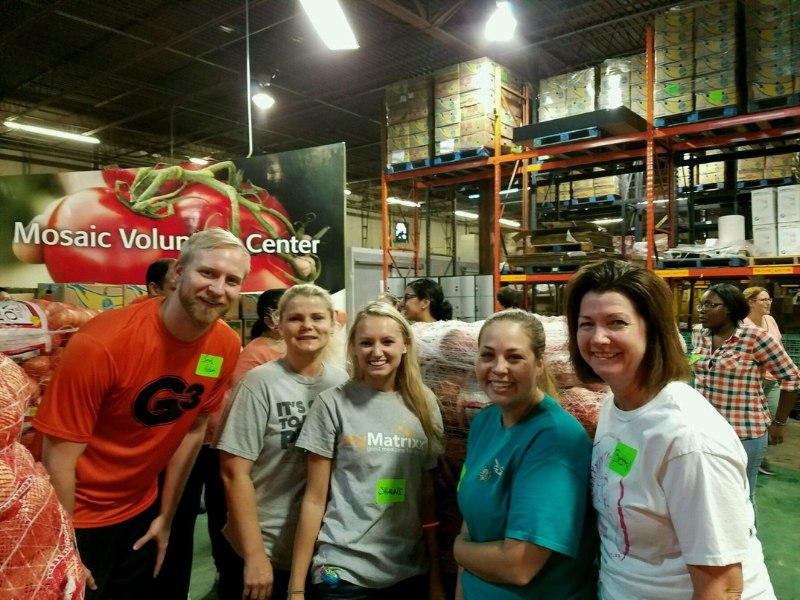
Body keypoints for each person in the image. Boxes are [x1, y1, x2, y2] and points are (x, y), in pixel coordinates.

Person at [34, 228, 249, 599]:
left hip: (141, 511)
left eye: (232, 280)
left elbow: (193, 428)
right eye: (208, 273)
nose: (218, 289)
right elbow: (58, 459)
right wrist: (64, 543)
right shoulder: (102, 343)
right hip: (77, 516)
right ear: (178, 272)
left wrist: (167, 516)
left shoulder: (224, 344)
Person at [565, 260, 775, 600]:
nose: (599, 338)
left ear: (652, 330)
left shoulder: (688, 440)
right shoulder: (615, 407)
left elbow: (723, 587)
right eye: (586, 324)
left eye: (617, 322)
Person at [289, 301, 445, 600]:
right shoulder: (332, 404)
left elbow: (426, 498)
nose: (376, 352)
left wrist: (435, 576)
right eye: (366, 343)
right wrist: (296, 588)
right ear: (353, 348)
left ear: (404, 345)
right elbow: (314, 499)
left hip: (408, 571)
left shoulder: (424, 404)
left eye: (387, 341)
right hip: (342, 571)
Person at [215, 284, 349, 600]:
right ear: (279, 324)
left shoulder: (342, 383)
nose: (307, 326)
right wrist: (255, 555)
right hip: (262, 546)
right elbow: (233, 474)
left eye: (317, 318)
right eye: (295, 318)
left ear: (332, 324)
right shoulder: (259, 384)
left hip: (319, 550)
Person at [454, 310, 597, 600]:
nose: (499, 368)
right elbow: (472, 518)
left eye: (514, 357)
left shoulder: (554, 440)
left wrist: (458, 550)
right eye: (488, 355)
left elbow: (519, 566)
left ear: (540, 363)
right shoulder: (485, 422)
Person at [692, 283, 799, 523]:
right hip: (705, 432)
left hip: (743, 432)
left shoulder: (756, 338)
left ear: (730, 308)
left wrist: (779, 422)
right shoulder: (700, 333)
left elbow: (791, 377)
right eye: (701, 305)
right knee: (708, 494)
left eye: (710, 305)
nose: (702, 310)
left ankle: (747, 544)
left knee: (741, 496)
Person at [744, 286, 782, 476]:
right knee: (751, 422)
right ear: (751, 303)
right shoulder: (742, 323)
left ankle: (757, 455)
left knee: (772, 420)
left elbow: (779, 346)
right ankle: (754, 459)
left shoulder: (770, 320)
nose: (768, 303)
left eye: (769, 299)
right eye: (764, 300)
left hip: (772, 379)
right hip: (752, 382)